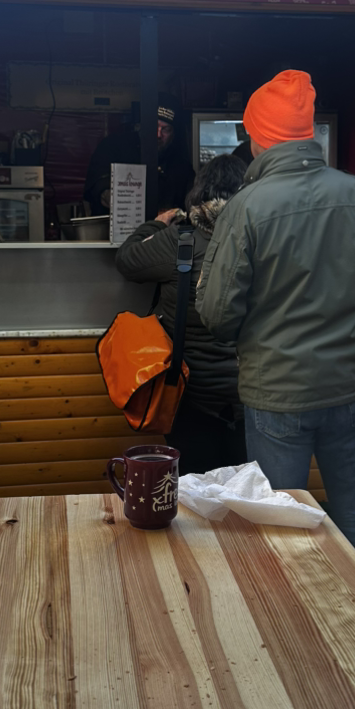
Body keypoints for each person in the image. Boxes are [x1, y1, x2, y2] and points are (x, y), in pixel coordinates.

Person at [196, 70, 355, 585]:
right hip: (347, 387)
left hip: (276, 391)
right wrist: (343, 322)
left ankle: (289, 627)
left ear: (256, 136)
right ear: (307, 132)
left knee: (278, 522)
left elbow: (218, 315)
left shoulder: (247, 206)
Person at [115, 154, 248, 474]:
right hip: (250, 395)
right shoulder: (261, 239)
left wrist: (156, 224)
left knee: (194, 491)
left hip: (190, 395)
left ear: (199, 192)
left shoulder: (178, 240)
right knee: (247, 494)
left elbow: (127, 260)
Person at [84, 95, 194, 216]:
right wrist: (117, 200)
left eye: (166, 129)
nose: (158, 134)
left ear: (173, 134)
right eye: (154, 126)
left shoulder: (181, 165)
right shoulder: (113, 146)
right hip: (115, 224)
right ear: (143, 125)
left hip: (165, 226)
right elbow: (97, 185)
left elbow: (192, 202)